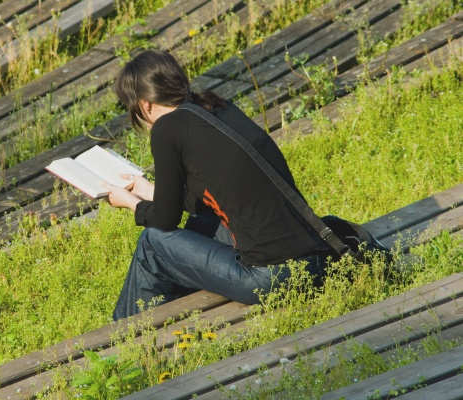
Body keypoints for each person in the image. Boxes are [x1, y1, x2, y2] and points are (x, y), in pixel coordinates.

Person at [106, 50, 330, 321]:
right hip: (314, 257)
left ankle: (123, 339)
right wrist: (147, 189)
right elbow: (214, 194)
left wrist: (130, 202)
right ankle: (169, 317)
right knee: (204, 221)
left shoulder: (167, 129)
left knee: (152, 243)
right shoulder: (215, 107)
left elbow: (165, 221)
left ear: (145, 105)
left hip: (268, 277)